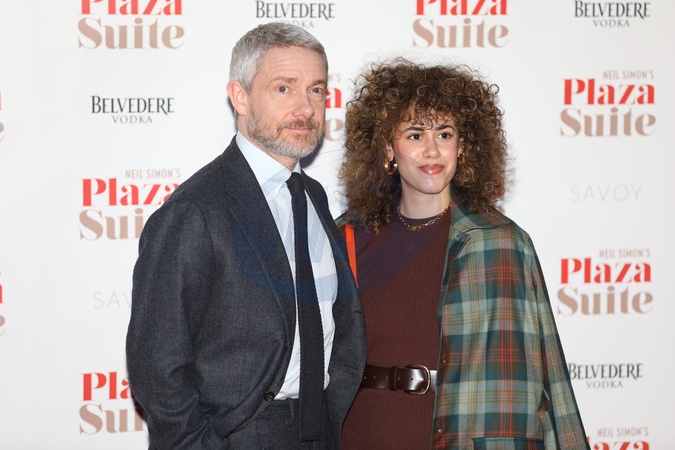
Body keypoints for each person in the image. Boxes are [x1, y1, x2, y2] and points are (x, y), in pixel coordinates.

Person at [126, 22, 367, 449]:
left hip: (322, 430)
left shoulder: (312, 196)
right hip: (239, 434)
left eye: (316, 90)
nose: (306, 108)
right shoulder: (195, 209)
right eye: (283, 88)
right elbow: (157, 364)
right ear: (240, 97)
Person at [338, 59, 589, 449]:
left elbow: (542, 374)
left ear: (463, 145)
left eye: (445, 133)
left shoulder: (499, 242)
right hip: (361, 434)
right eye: (415, 135)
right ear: (388, 147)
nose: (432, 150)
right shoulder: (348, 238)